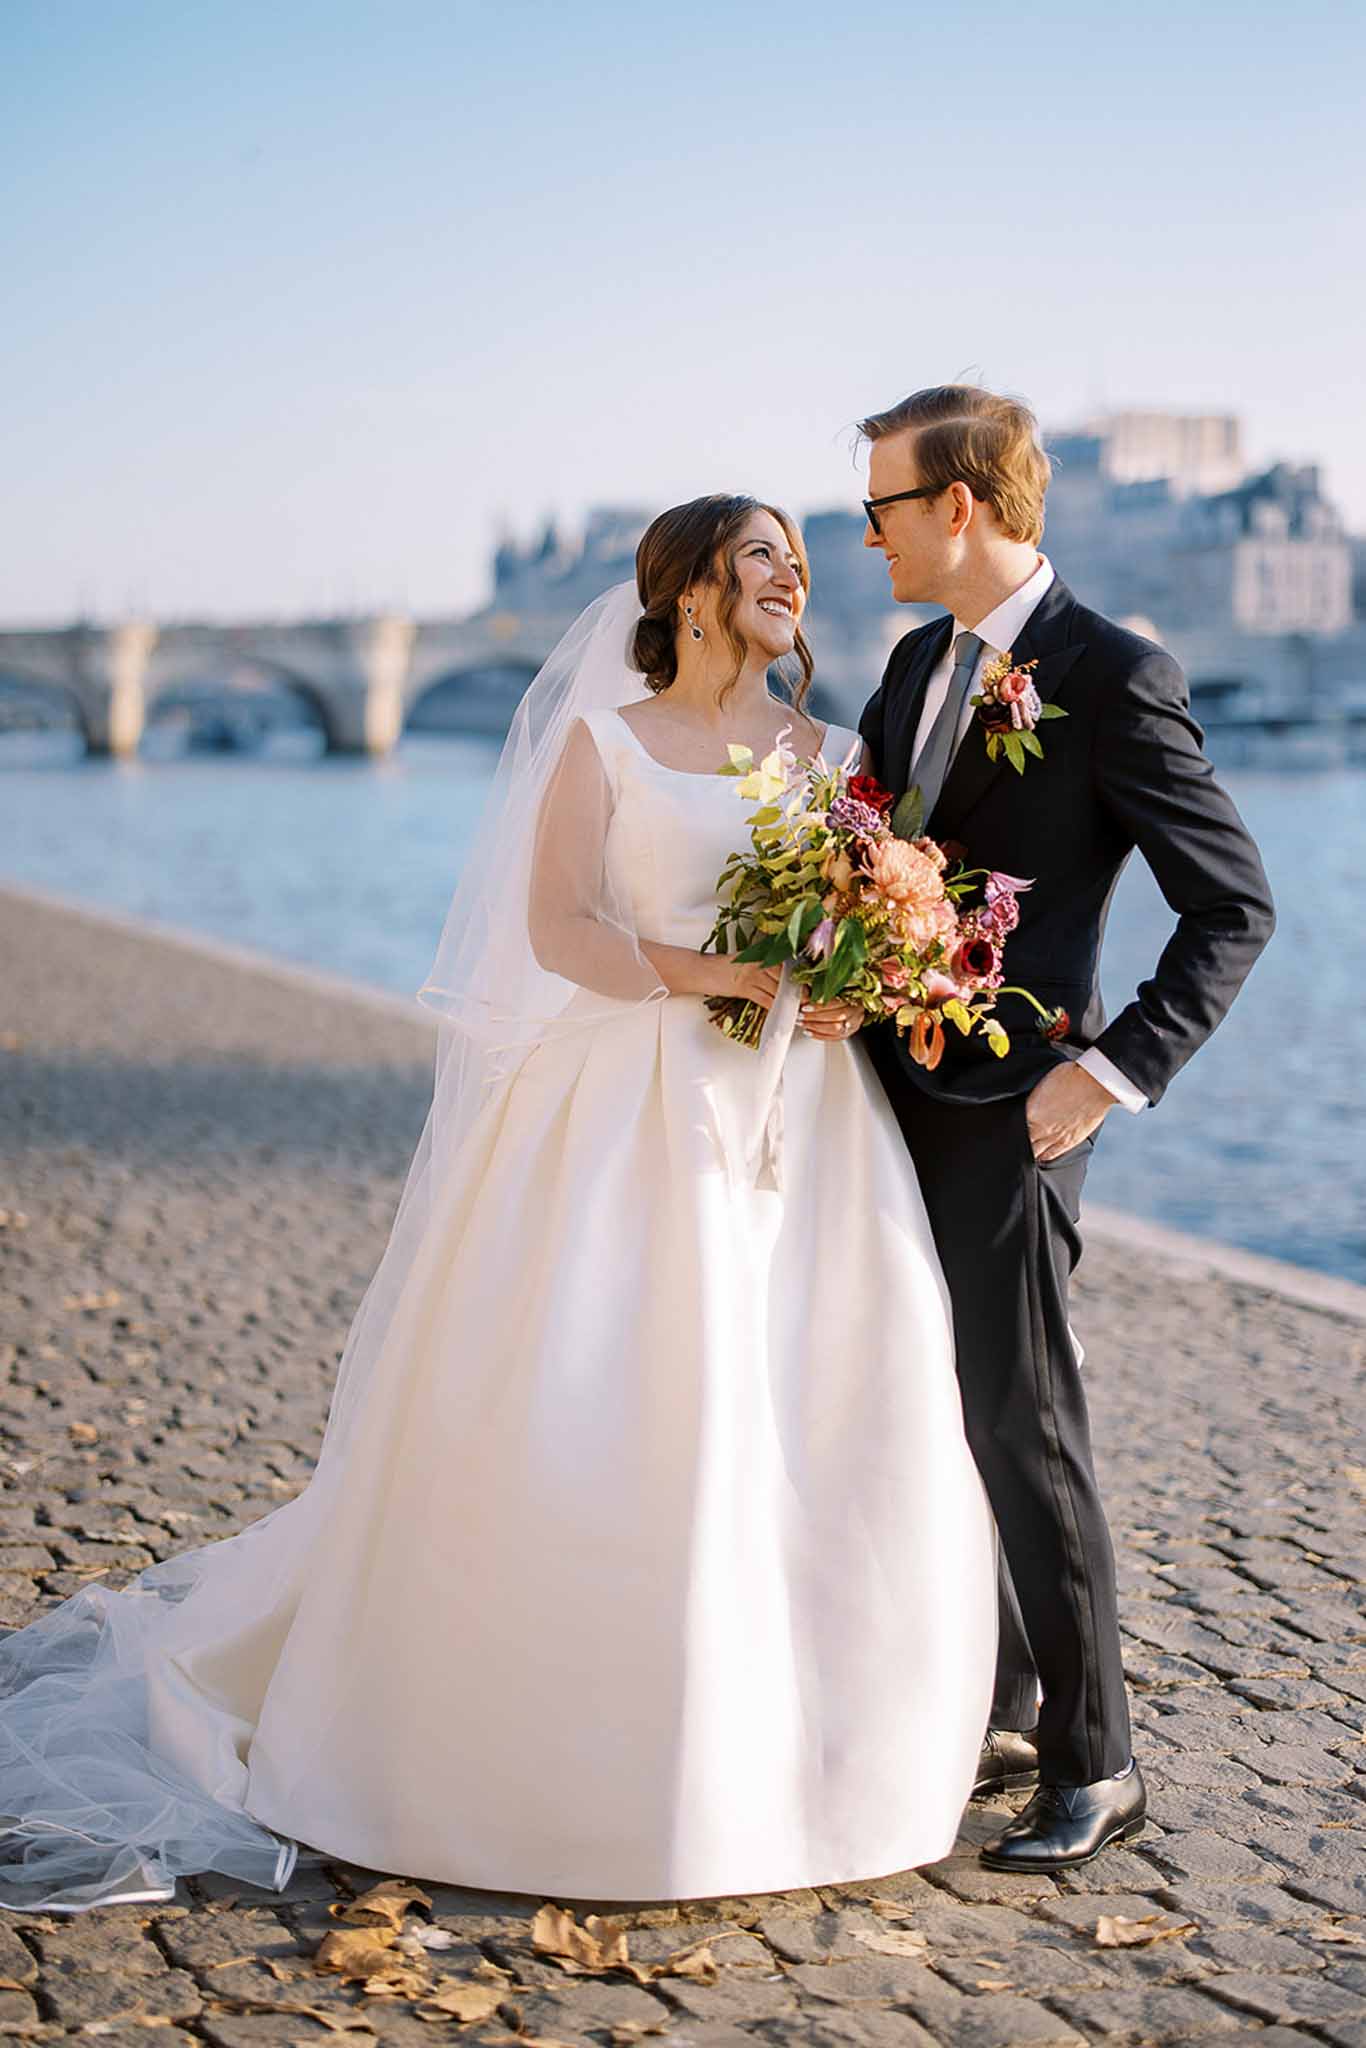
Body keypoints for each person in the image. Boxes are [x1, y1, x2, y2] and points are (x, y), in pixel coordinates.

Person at [0, 494, 997, 1915]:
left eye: (795, 558)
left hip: (797, 1121)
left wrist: (852, 976)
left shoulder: (834, 756)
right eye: (760, 556)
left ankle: (818, 1748)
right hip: (626, 1111)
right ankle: (558, 1760)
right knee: (617, 1397)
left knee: (822, 1396)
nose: (792, 579)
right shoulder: (602, 745)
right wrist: (731, 979)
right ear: (692, 594)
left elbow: (846, 920)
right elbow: (560, 935)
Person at [854, 386, 1276, 1872]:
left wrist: (1105, 1075)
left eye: (882, 507)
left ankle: (1100, 1762)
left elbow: (1231, 906)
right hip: (881, 1095)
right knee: (933, 1403)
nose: (867, 534)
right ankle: (1010, 1696)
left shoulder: (1110, 672)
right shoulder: (911, 664)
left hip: (1019, 1105)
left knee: (1024, 1418)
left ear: (957, 505)